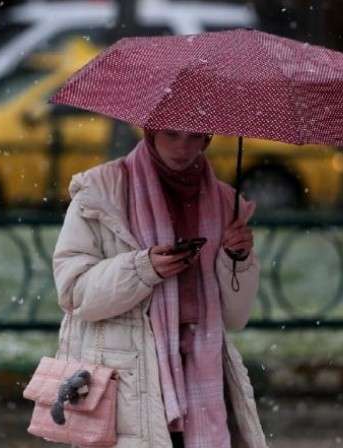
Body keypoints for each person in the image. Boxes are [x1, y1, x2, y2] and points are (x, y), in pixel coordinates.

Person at [52, 128, 268, 447]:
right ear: (150, 131)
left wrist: (238, 258)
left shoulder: (225, 202)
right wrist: (143, 268)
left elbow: (235, 317)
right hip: (127, 379)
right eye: (171, 134)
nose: (182, 146)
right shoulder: (102, 190)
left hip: (203, 381)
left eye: (194, 136)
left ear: (208, 139)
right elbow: (74, 292)